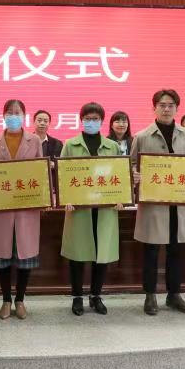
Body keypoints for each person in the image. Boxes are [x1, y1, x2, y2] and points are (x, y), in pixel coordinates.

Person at [131, 90, 185, 316]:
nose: (166, 109)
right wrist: (134, 174)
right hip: (154, 205)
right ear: (154, 108)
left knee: (177, 252)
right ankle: (150, 295)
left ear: (177, 108)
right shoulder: (142, 136)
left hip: (180, 205)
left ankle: (174, 295)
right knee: (151, 252)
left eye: (171, 105)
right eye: (162, 105)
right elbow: (132, 165)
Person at [60, 102, 122, 316]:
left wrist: (121, 197)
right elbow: (63, 176)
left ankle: (96, 295)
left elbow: (120, 176)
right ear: (81, 120)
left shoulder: (112, 146)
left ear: (102, 121)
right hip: (79, 209)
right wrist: (65, 198)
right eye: (87, 118)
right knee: (77, 256)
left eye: (95, 119)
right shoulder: (70, 144)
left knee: (101, 255)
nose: (91, 122)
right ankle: (77, 297)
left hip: (105, 210)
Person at [0, 99, 43, 320]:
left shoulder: (34, 140)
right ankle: (5, 300)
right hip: (1, 209)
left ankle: (20, 299)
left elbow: (40, 171)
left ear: (24, 116)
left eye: (17, 112)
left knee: (24, 256)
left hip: (26, 209)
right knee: (3, 256)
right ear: (3, 115)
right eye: (9, 112)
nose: (13, 116)